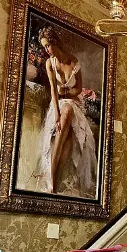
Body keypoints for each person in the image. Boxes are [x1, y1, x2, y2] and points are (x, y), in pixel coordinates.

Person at [39, 26, 97, 197]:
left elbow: (78, 89)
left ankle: (53, 177)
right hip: (58, 104)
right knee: (65, 131)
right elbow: (53, 90)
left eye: (48, 45)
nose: (46, 50)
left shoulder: (73, 61)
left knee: (69, 111)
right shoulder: (50, 63)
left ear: (55, 43)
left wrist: (66, 91)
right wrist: (56, 113)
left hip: (74, 102)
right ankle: (53, 177)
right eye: (44, 47)